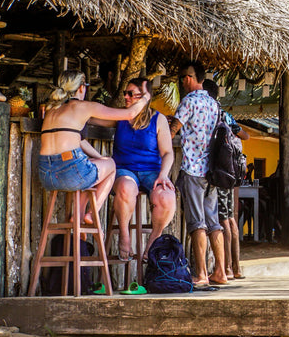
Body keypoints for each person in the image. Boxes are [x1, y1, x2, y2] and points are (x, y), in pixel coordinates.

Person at [38, 71, 146, 217]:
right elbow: (130, 115)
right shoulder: (84, 106)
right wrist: (145, 98)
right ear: (82, 88)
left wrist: (100, 158)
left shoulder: (52, 109)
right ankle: (89, 214)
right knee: (112, 166)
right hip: (70, 172)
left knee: (102, 164)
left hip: (46, 175)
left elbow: (78, 140)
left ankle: (79, 215)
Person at [168, 61, 227, 287]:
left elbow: (173, 129)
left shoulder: (188, 102)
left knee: (197, 224)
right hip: (211, 171)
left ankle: (202, 273)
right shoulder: (214, 104)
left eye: (184, 76)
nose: (182, 81)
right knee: (214, 223)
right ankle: (220, 271)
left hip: (193, 169)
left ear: (191, 78)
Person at [105, 77, 176, 261]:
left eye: (131, 94)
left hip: (151, 171)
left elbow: (168, 152)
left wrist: (163, 175)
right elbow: (94, 117)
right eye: (125, 93)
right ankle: (124, 236)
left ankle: (153, 240)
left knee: (167, 197)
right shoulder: (121, 116)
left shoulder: (158, 119)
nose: (126, 97)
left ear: (144, 97)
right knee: (126, 187)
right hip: (123, 170)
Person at [203, 79, 250, 280]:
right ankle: (236, 267)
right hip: (231, 172)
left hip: (218, 171)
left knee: (223, 218)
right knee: (230, 217)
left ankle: (228, 268)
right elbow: (246, 136)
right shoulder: (226, 115)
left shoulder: (210, 113)